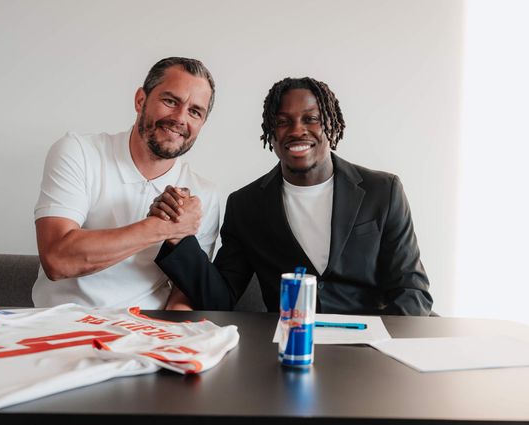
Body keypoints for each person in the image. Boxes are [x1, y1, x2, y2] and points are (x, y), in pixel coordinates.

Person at [152, 77, 432, 315]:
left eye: (311, 119)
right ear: (270, 133)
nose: (297, 130)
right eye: (283, 122)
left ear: (331, 126)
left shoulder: (382, 191)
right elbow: (220, 298)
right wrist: (179, 240)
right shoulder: (246, 205)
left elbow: (411, 292)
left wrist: (382, 350)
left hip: (369, 349)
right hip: (288, 348)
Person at [31, 57, 218, 310]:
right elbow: (57, 260)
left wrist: (174, 339)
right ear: (140, 100)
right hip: (63, 328)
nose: (180, 118)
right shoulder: (78, 152)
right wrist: (163, 228)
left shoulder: (204, 194)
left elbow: (185, 293)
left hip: (146, 333)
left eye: (195, 111)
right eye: (170, 101)